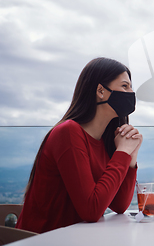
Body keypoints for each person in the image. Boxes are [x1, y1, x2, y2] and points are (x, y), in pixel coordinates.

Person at [16, 57, 143, 233]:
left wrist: (130, 157)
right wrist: (122, 152)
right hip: (44, 240)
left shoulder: (105, 140)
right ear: (100, 91)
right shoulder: (68, 132)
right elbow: (91, 211)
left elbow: (120, 205)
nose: (131, 93)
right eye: (124, 86)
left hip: (76, 238)